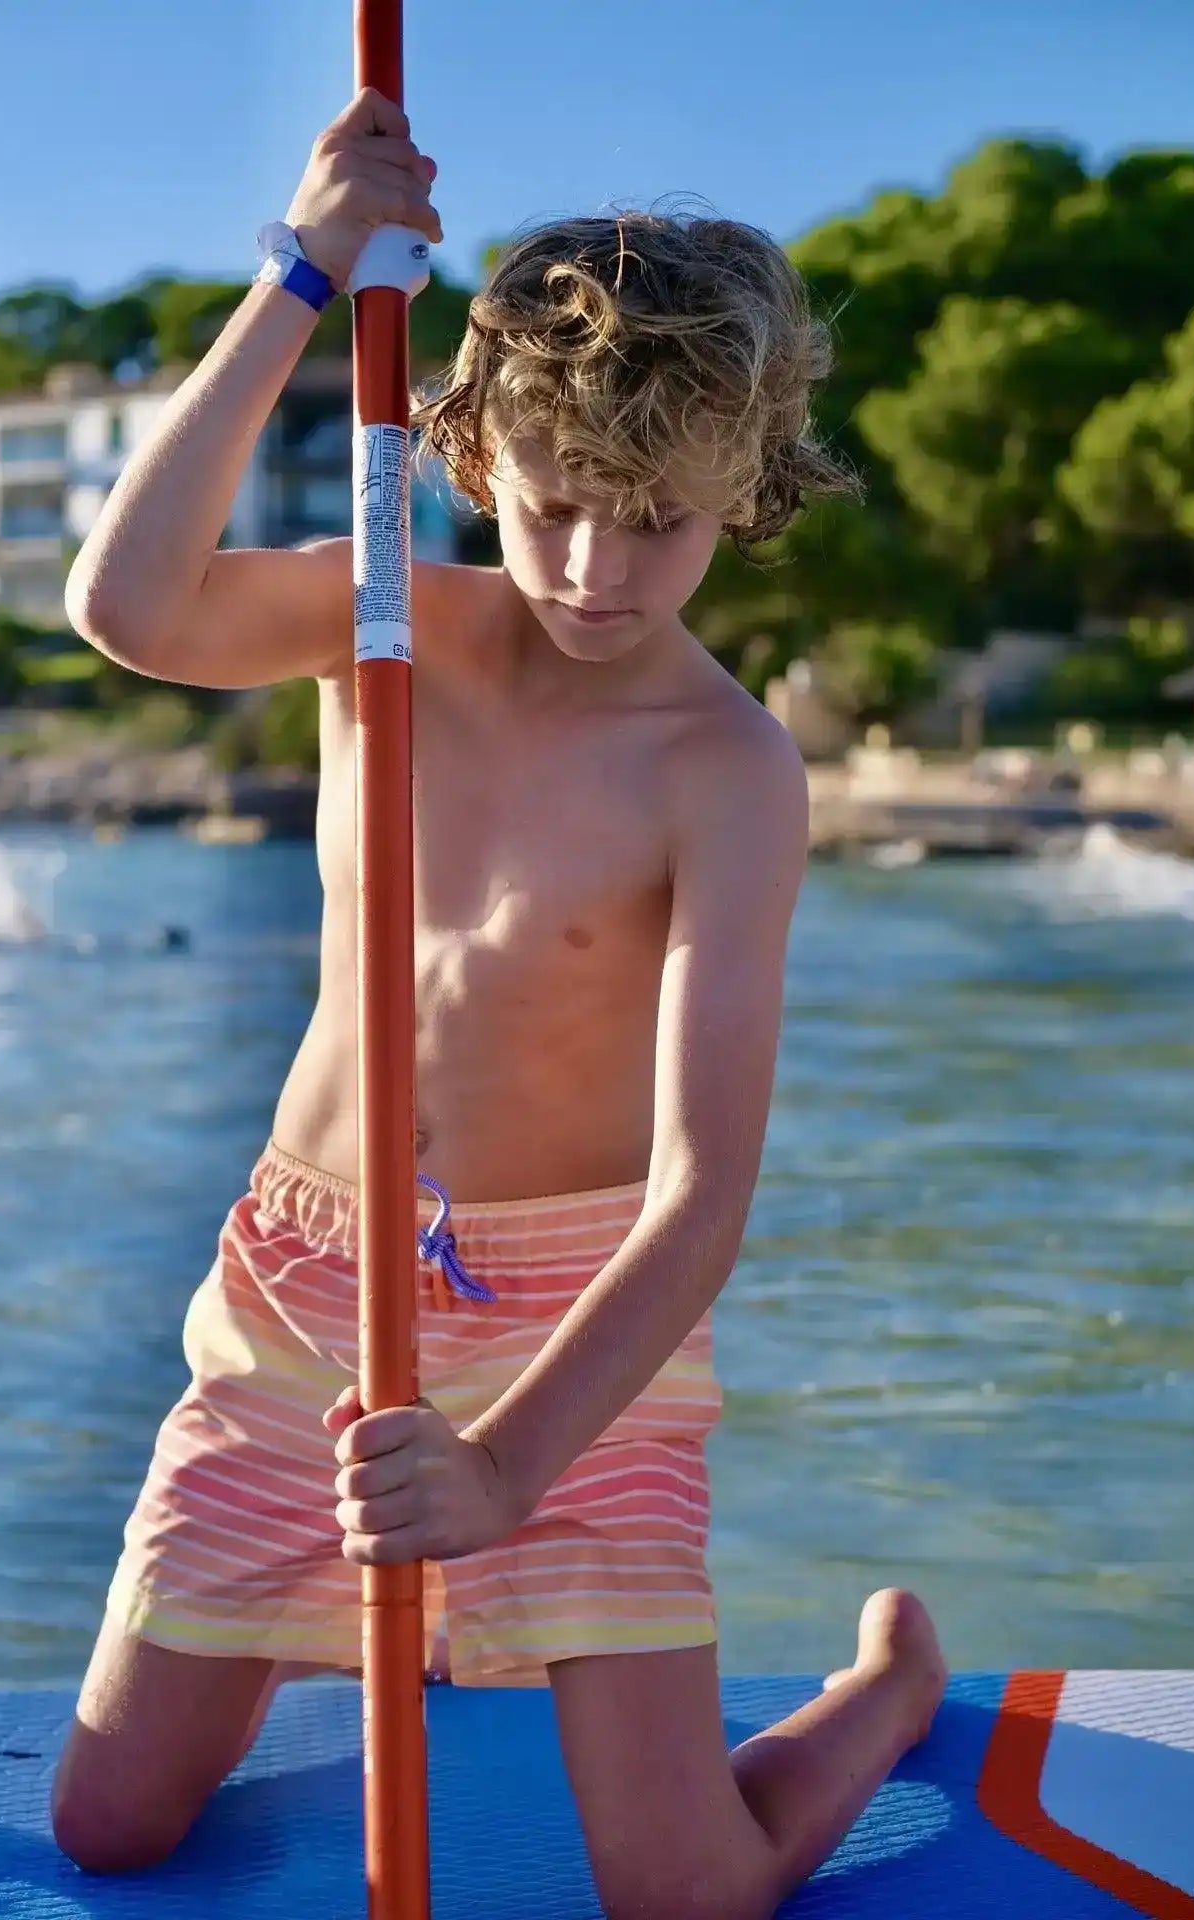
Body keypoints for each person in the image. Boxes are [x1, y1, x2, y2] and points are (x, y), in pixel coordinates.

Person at [51, 84, 947, 1917]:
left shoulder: (727, 769)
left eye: (661, 524)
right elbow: (129, 610)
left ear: (745, 499)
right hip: (313, 1282)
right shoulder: (398, 625)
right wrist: (302, 271)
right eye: (555, 511)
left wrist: (506, 1461)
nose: (596, 575)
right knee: (105, 1829)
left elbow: (702, 1198)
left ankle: (881, 1695)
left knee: (685, 1897)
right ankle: (388, 1621)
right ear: (467, 460)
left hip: (582, 1338)